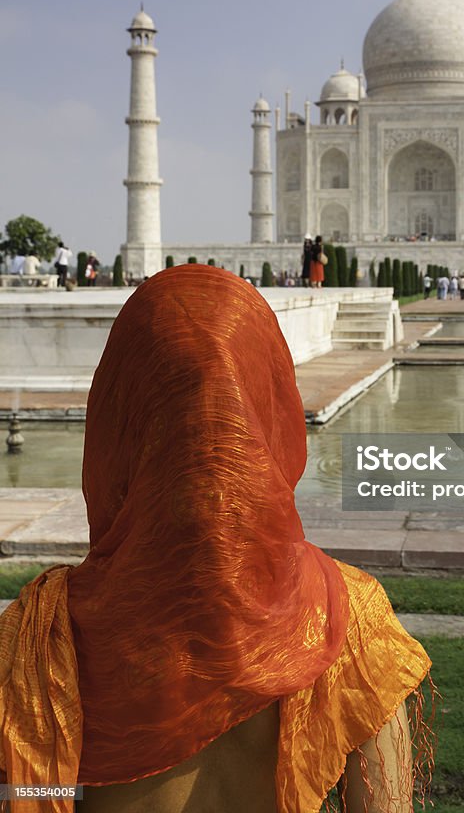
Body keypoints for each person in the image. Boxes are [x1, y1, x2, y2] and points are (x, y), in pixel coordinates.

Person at [0, 266, 433, 812]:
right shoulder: (345, 621)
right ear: (270, 409)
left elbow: (34, 793)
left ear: (120, 417)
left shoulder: (45, 638)